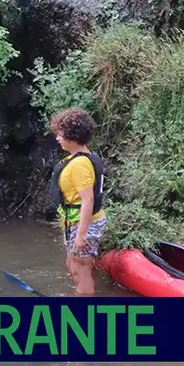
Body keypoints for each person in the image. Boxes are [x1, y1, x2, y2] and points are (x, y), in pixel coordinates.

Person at [48, 107, 108, 295]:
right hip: (74, 223)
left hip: (84, 224)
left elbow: (87, 200)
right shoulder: (79, 157)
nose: (57, 138)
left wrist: (80, 236)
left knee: (81, 271)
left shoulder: (80, 164)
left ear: (72, 137)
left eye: (60, 134)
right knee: (72, 265)